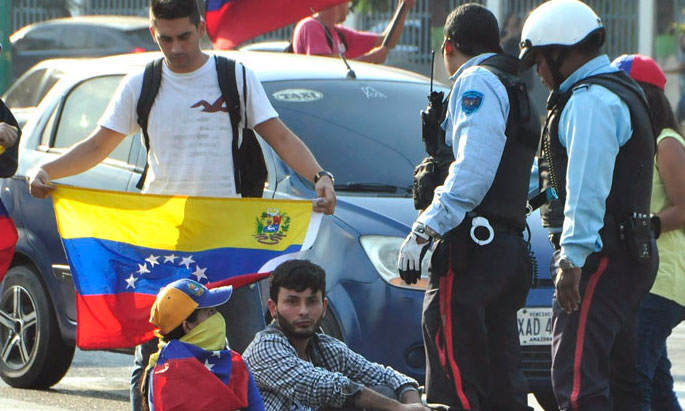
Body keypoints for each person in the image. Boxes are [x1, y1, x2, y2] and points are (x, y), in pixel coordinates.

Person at [26, 1, 336, 409]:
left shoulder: (235, 77)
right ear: (153, 32)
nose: (175, 48)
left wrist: (319, 176)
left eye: (184, 37)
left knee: (243, 350)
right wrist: (48, 171)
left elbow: (278, 136)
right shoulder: (142, 84)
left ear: (202, 28)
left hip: (227, 242)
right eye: (165, 38)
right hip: (163, 244)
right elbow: (98, 145)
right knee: (152, 356)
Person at [398, 3, 538, 409]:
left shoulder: (475, 80)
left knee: (454, 379)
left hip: (470, 253)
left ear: (448, 46)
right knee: (500, 383)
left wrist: (424, 230)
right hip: (505, 249)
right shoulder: (515, 82)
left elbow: (473, 171)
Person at [519, 1, 658, 409]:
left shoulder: (590, 100)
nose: (540, 73)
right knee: (622, 380)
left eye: (540, 61)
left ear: (561, 52)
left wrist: (571, 260)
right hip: (627, 252)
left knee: (577, 384)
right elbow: (568, 184)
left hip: (600, 258)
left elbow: (587, 188)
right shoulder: (618, 88)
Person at [242, 259, 427, 411]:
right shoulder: (265, 348)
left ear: (324, 307)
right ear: (273, 308)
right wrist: (399, 409)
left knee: (384, 391)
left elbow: (386, 376)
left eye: (312, 301)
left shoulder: (327, 348)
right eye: (292, 302)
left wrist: (413, 404)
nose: (303, 311)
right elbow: (325, 386)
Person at [613, 54, 685, 410]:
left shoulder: (666, 142)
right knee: (656, 385)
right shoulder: (637, 142)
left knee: (632, 378)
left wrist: (647, 225)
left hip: (663, 280)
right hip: (643, 277)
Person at [142, 278, 264, 410]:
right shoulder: (160, 373)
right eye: (210, 312)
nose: (218, 317)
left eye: (215, 310)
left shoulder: (156, 370)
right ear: (187, 326)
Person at [292, 0, 415, 64]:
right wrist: (369, 58)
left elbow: (386, 41)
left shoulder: (339, 33)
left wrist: (403, 8)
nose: (348, 5)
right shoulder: (310, 26)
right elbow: (326, 67)